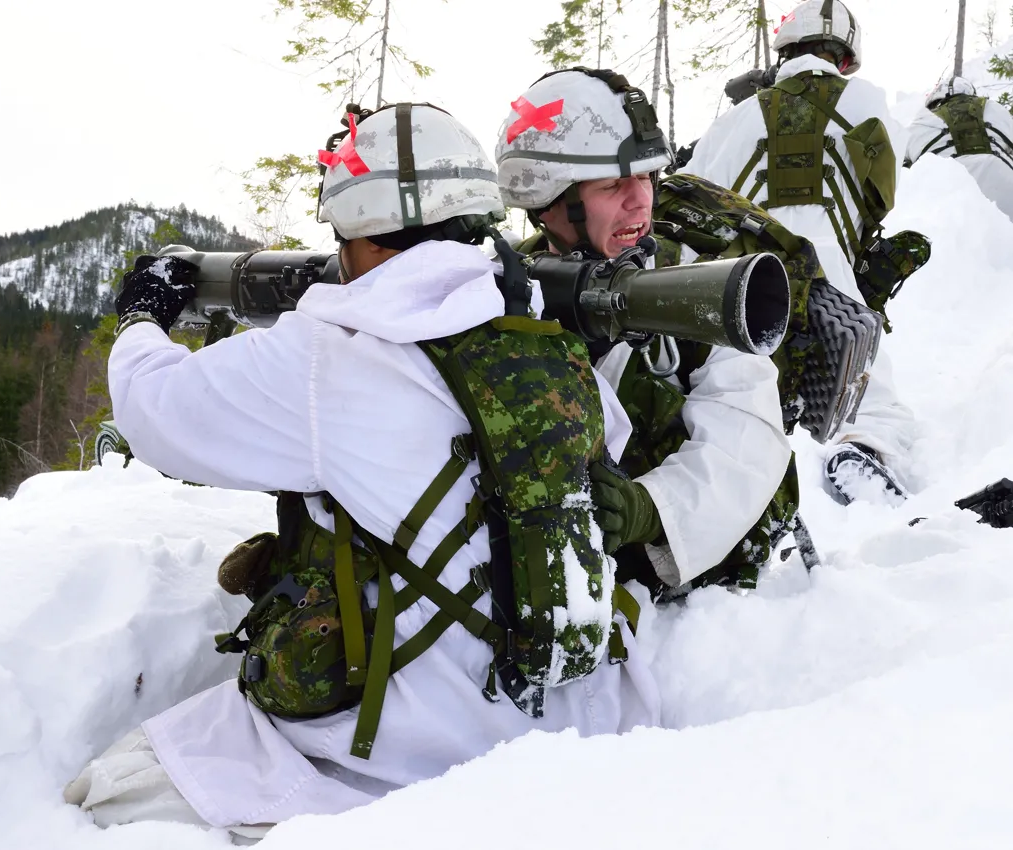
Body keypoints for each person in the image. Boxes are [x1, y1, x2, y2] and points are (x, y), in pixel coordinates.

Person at [63, 102, 659, 840]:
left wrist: (143, 315)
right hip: (571, 717)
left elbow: (156, 412)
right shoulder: (545, 342)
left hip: (408, 751)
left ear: (366, 234)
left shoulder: (326, 359)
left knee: (106, 793)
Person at [496, 67, 795, 595]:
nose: (641, 202)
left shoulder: (696, 284)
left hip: (683, 564)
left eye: (647, 178)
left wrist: (650, 508)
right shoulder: (501, 286)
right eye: (613, 184)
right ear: (549, 203)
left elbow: (748, 434)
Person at [685, 0, 917, 506]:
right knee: (870, 393)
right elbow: (900, 173)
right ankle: (862, 451)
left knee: (736, 382)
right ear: (847, 56)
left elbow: (691, 193)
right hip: (834, 279)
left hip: (745, 276)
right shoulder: (869, 102)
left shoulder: (734, 121)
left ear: (784, 49)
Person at [906, 75, 1013, 220]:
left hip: (948, 205)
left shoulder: (921, 121)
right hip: (1005, 194)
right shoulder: (995, 109)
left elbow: (899, 166)